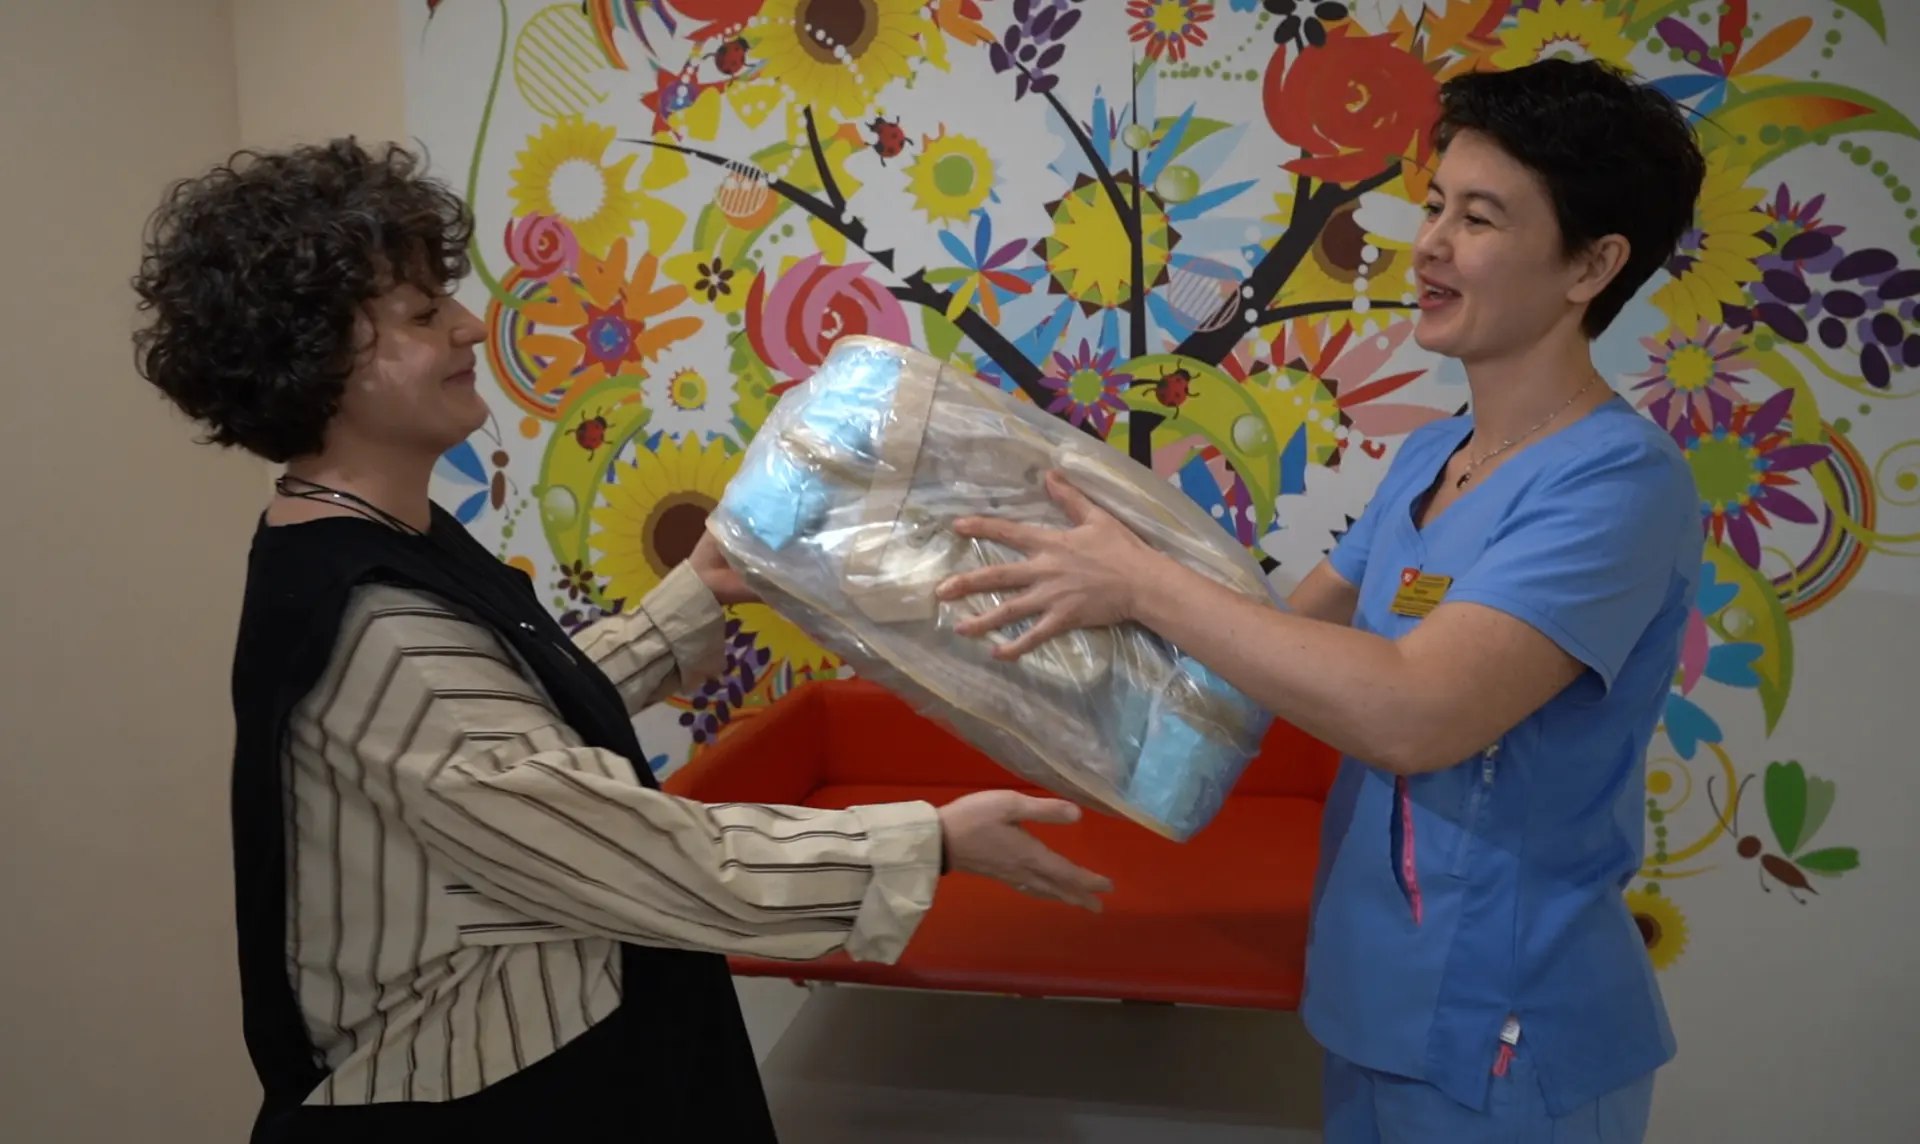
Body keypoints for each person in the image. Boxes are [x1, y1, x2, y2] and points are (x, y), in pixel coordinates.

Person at [131, 138, 1111, 1143]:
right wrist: (931, 843)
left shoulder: (349, 538)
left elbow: (504, 728)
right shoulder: (379, 626)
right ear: (313, 360)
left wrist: (695, 598)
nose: (471, 325)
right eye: (424, 315)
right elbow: (642, 857)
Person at [934, 59, 1707, 1142]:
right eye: (1435, 206)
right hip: (1372, 996)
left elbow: (1416, 711)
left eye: (1479, 217)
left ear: (1593, 263)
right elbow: (1282, 642)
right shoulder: (1432, 457)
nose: (1429, 245)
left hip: (1507, 1029)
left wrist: (1143, 580)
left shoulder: (1617, 483)